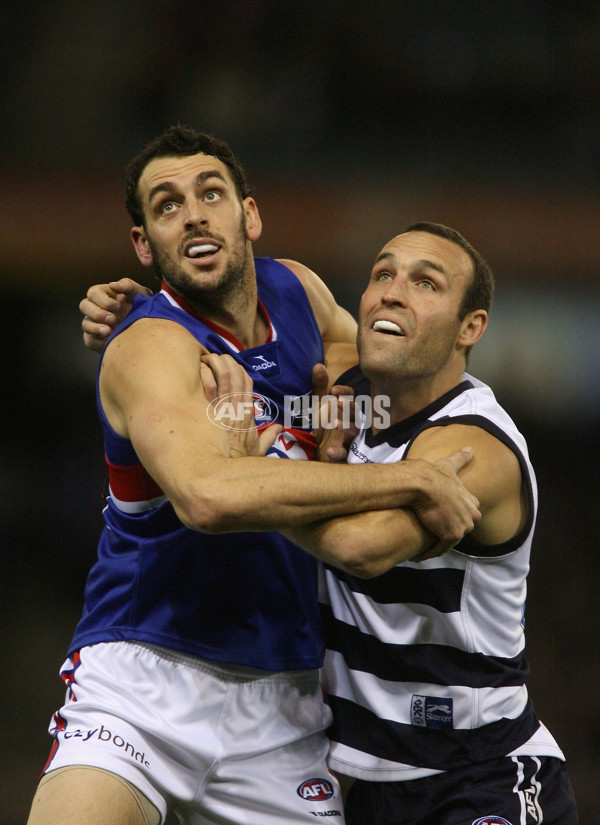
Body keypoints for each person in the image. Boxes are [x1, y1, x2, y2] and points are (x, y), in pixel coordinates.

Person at [27, 127, 481, 825]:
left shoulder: (293, 286)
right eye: (168, 205)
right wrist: (413, 480)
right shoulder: (150, 345)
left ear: (250, 216)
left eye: (211, 193)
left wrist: (344, 391)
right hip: (142, 674)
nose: (196, 214)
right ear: (145, 246)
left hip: (285, 694)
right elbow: (210, 495)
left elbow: (349, 346)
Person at [203, 222, 579, 824]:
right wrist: (136, 308)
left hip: (480, 775)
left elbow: (358, 546)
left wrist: (255, 468)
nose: (392, 292)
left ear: (470, 328)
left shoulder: (475, 446)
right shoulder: (349, 398)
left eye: (425, 283)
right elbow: (269, 300)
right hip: (368, 785)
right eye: (383, 275)